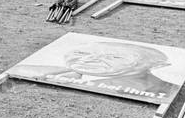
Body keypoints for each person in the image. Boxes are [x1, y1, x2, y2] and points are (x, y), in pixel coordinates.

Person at [31, 41, 177, 100]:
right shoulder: (49, 73)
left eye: (114, 57)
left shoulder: (161, 88)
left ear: (144, 64)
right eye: (84, 54)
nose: (90, 59)